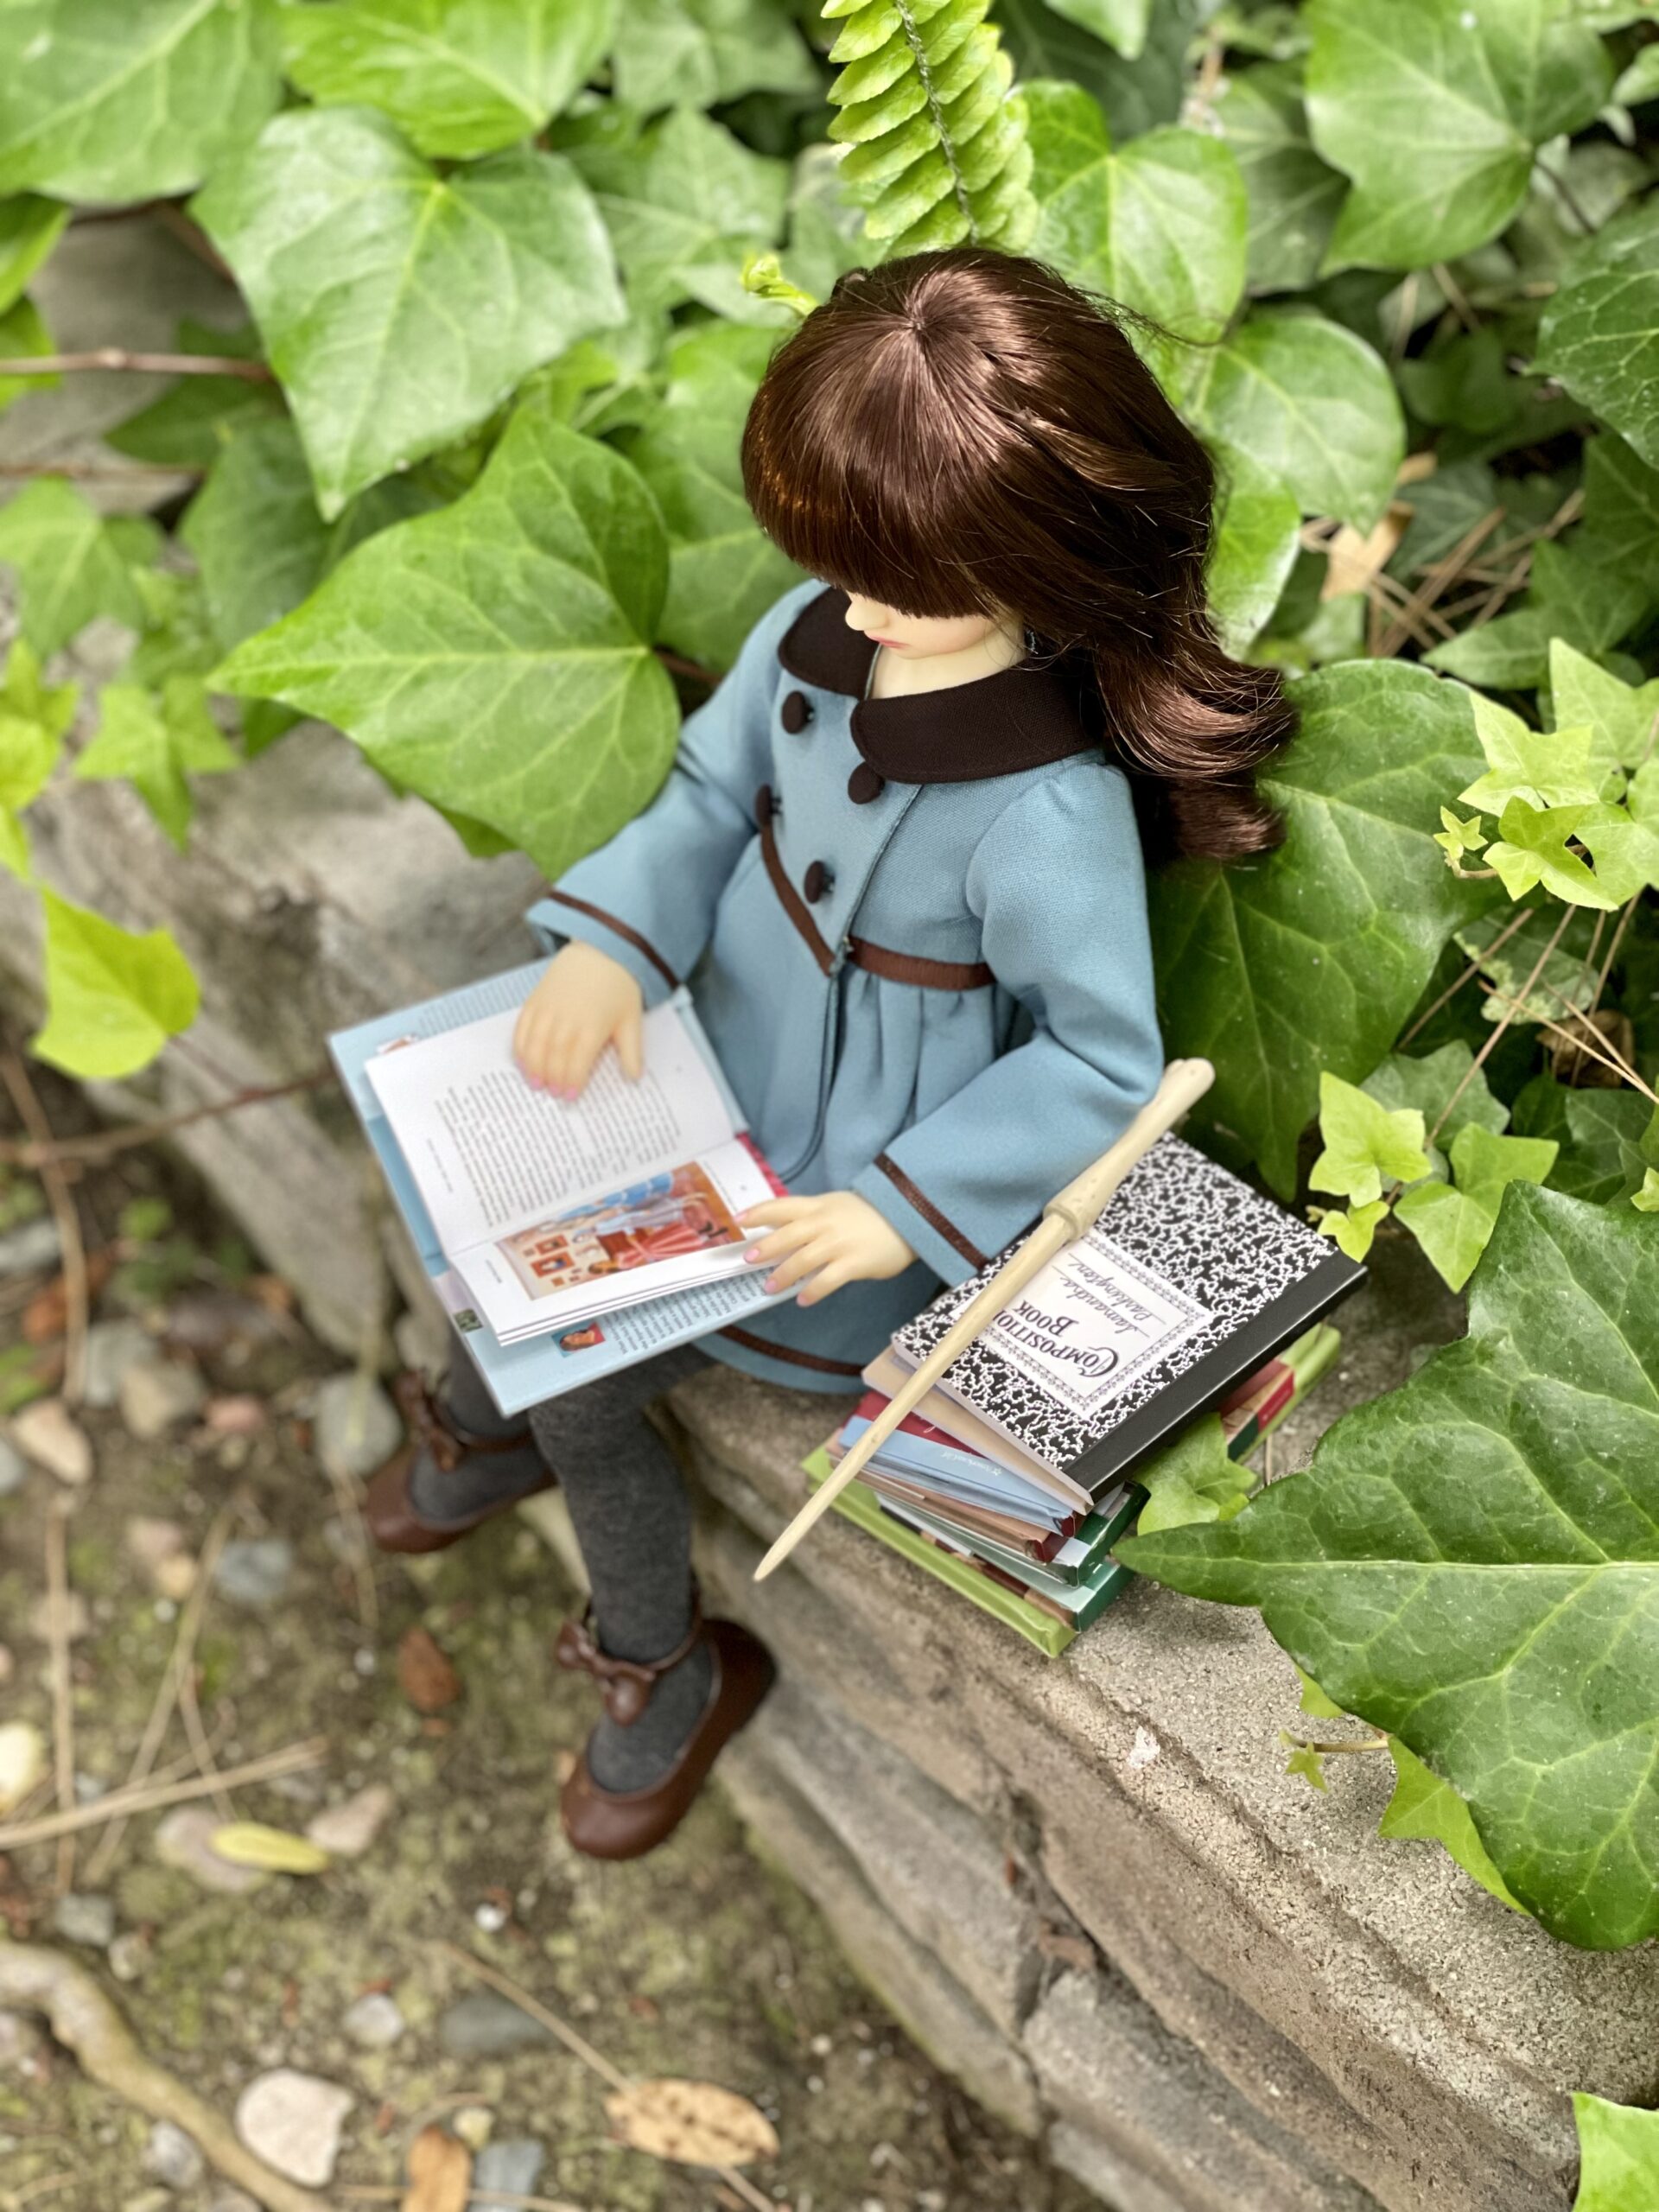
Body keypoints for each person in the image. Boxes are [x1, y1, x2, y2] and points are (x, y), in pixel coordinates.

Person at [364, 248, 1294, 1860]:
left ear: (1023, 563)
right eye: (839, 569)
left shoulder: (1045, 810)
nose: (854, 611)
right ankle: (485, 1423)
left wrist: (895, 1207)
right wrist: (614, 940)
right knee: (494, 1218)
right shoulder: (816, 644)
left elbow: (1094, 1059)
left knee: (580, 1387)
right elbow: (705, 797)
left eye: (895, 582)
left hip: (848, 1178)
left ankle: (663, 1665)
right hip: (709, 1066)